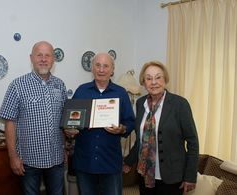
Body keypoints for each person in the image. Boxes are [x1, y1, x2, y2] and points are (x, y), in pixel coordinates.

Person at [0, 41, 67, 195]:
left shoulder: (60, 85)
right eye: (39, 55)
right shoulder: (17, 85)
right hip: (28, 161)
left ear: (53, 59)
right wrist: (12, 156)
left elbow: (63, 120)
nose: (43, 59)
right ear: (31, 58)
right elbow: (10, 122)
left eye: (47, 55)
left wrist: (64, 149)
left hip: (56, 158)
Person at [123, 61, 199, 195]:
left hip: (171, 178)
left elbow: (193, 142)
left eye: (158, 77)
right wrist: (128, 161)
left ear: (165, 80)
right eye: (148, 78)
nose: (153, 82)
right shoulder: (141, 104)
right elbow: (141, 140)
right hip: (144, 175)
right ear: (143, 82)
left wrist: (190, 176)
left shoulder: (179, 104)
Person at [64, 53, 135, 195]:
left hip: (110, 162)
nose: (101, 69)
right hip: (85, 161)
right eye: (98, 65)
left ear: (112, 70)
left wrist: (122, 129)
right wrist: (69, 130)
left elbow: (130, 121)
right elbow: (71, 121)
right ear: (92, 68)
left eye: (105, 66)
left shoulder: (120, 93)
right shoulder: (81, 91)